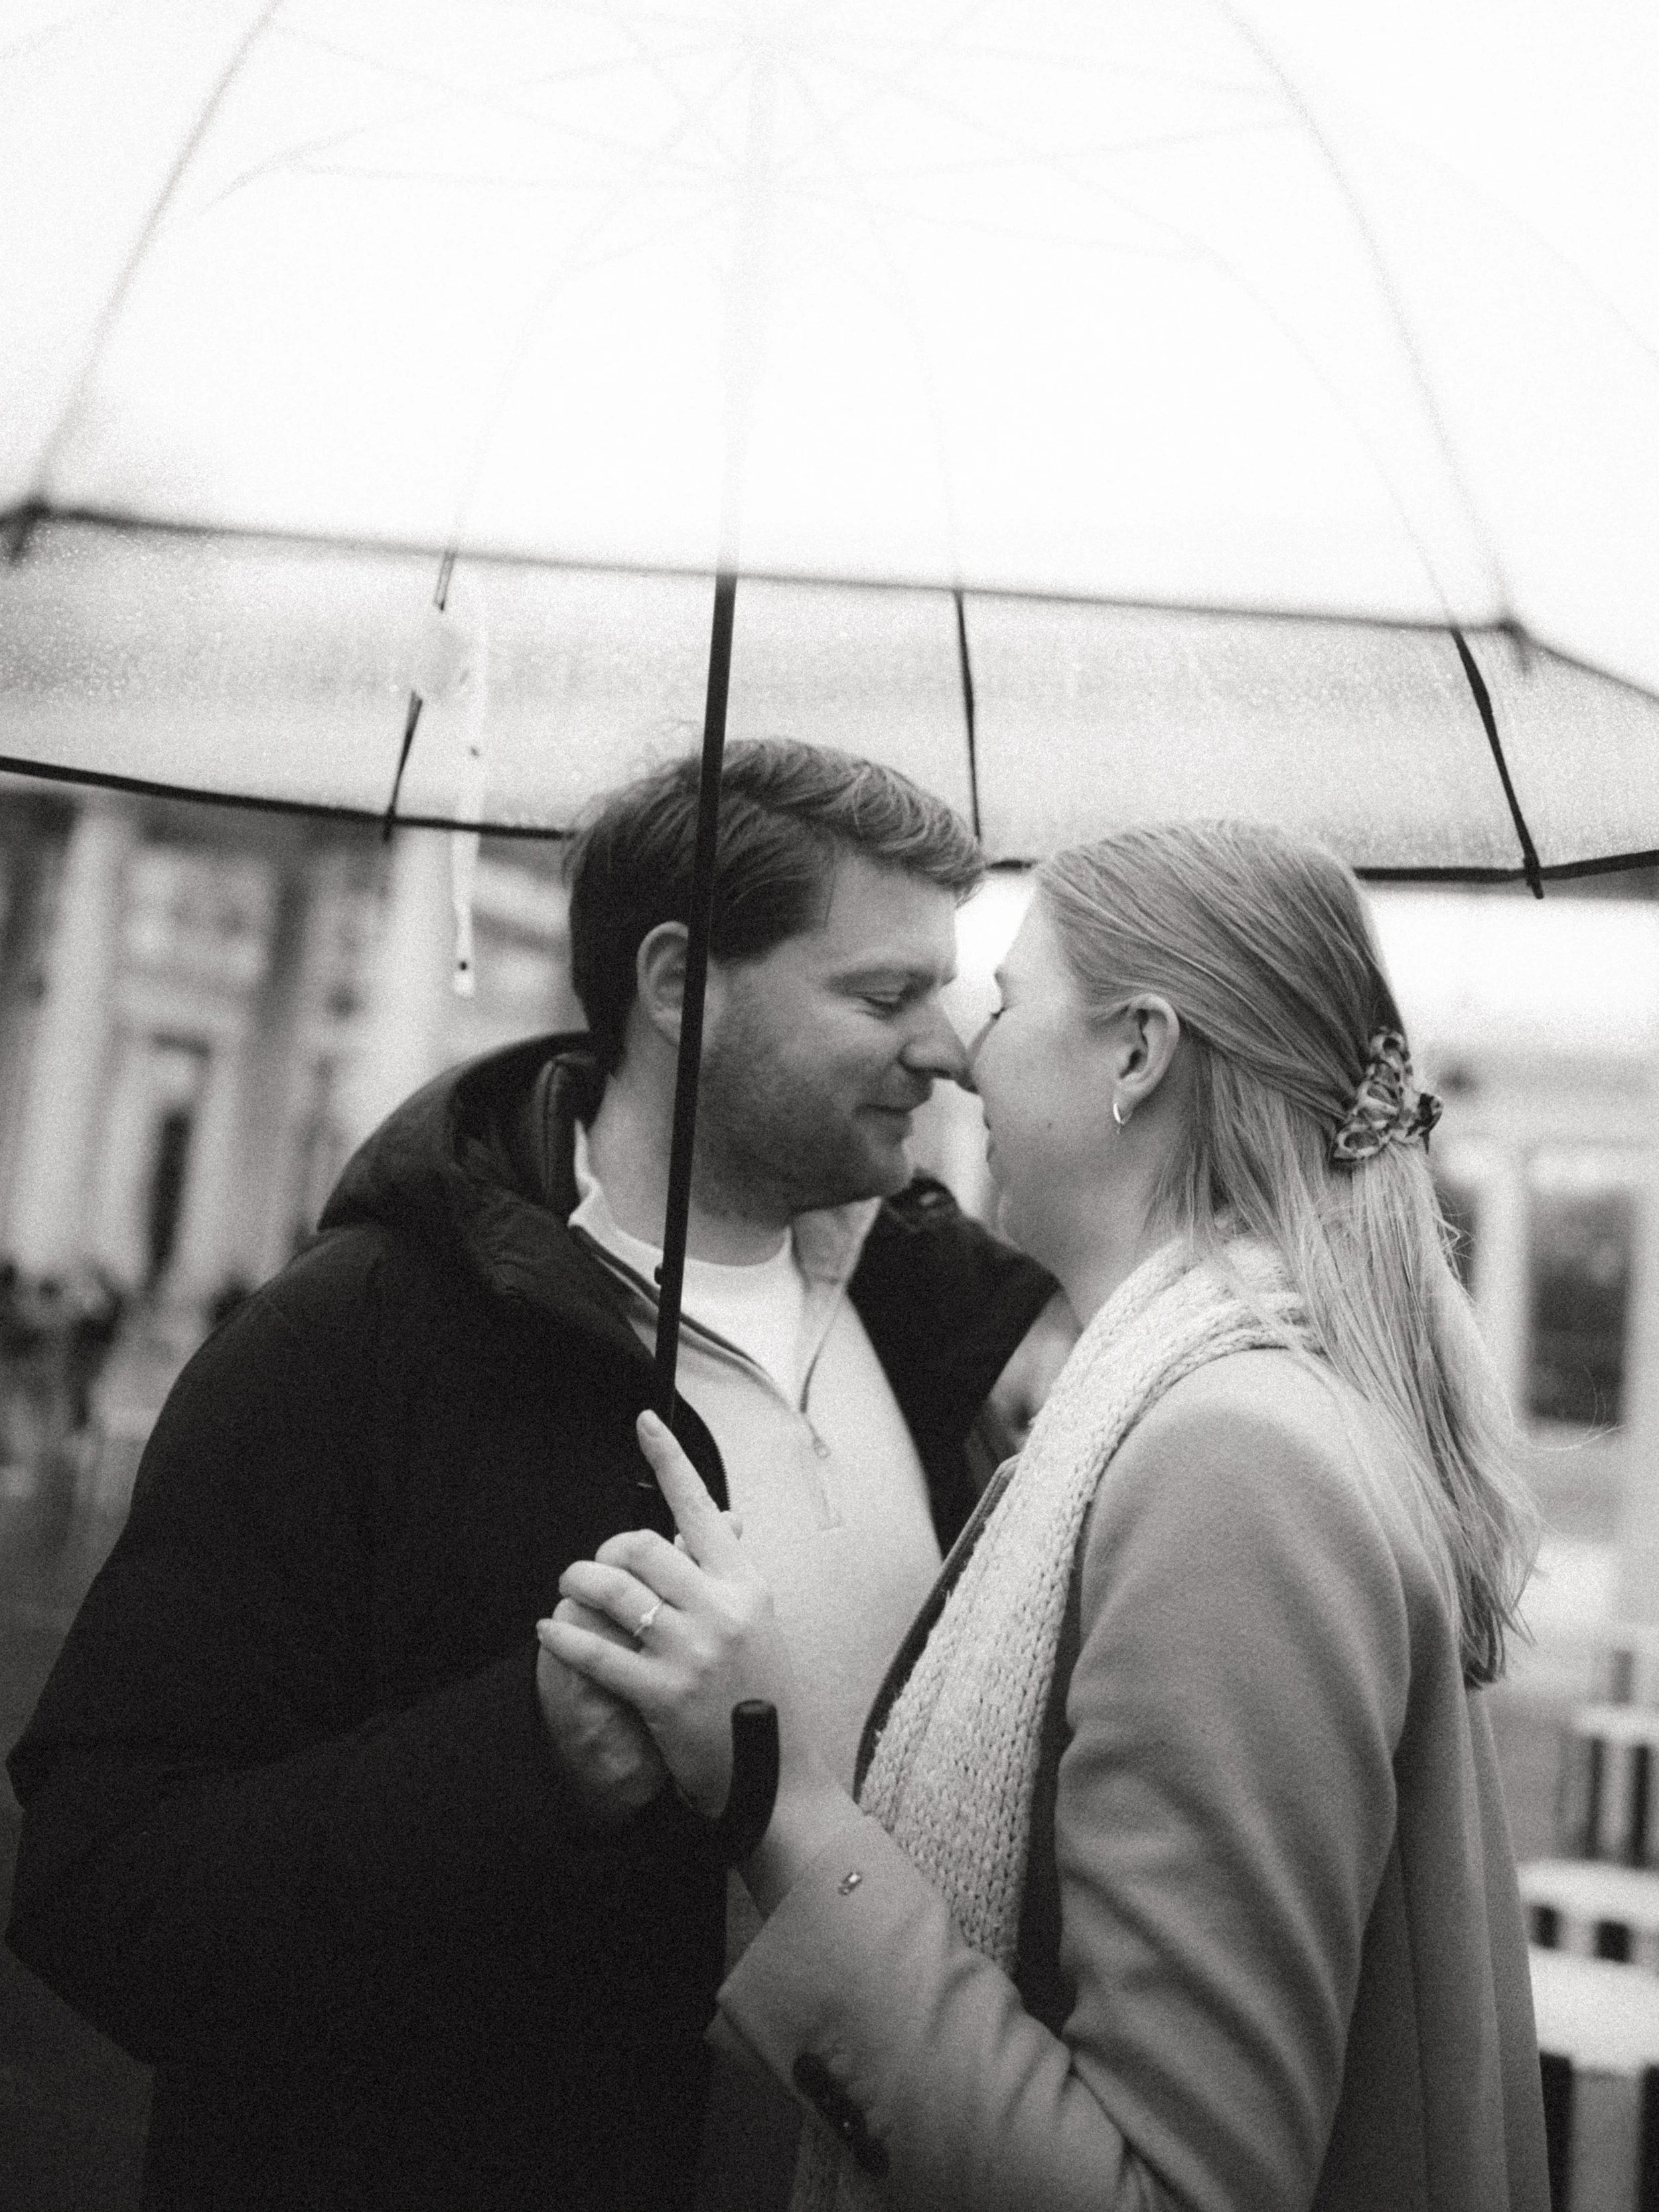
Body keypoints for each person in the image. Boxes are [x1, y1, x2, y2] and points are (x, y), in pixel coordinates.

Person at [5, 741, 1057, 2212]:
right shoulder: (349, 1341)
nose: (946, 1048)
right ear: (679, 983)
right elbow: (102, 1888)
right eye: (884, 998)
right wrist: (526, 1761)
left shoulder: (935, 1332)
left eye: (943, 992)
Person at [543, 819, 1551, 2212]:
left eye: (1008, 1001)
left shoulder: (1231, 1465)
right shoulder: (1191, 1409)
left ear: (1137, 1053)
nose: (964, 1056)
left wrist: (778, 1802)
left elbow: (1164, 2190)